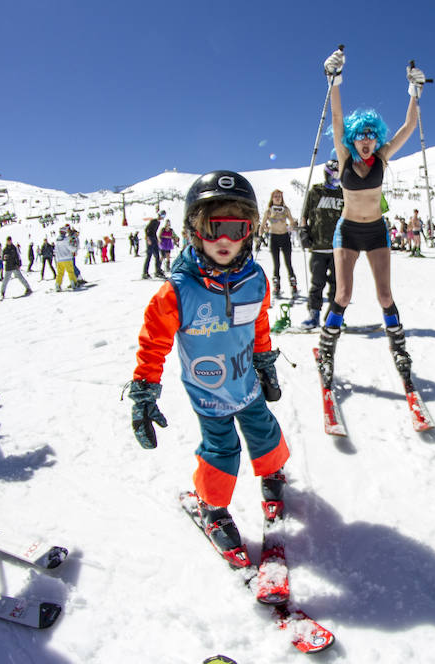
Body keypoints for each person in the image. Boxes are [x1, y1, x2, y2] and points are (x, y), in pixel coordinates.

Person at [129, 170, 288, 566]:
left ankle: (272, 473)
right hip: (210, 393)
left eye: (238, 228)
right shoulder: (179, 291)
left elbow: (260, 324)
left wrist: (265, 363)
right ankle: (212, 507)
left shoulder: (254, 279)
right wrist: (145, 389)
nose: (225, 240)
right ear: (194, 230)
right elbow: (154, 341)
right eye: (214, 226)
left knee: (264, 430)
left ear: (250, 231)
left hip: (247, 384)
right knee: (222, 450)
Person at [316, 47, 425, 387]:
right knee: (343, 295)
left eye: (370, 135)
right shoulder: (346, 157)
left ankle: (399, 348)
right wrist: (335, 81)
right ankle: (327, 348)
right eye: (360, 135)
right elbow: (336, 120)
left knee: (384, 296)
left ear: (376, 136)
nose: (366, 140)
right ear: (353, 137)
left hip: (376, 231)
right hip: (347, 231)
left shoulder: (382, 157)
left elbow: (409, 127)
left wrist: (414, 92)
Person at [298, 158, 343, 329]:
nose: (336, 178)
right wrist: (303, 231)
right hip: (318, 246)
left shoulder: (343, 194)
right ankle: (313, 314)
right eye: (334, 175)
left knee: (337, 285)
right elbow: (304, 214)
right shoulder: (316, 191)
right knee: (317, 283)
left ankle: (334, 316)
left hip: (338, 247)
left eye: (339, 175)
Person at [260, 190, 298, 299]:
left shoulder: (285, 210)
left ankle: (293, 285)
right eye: (275, 196)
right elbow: (262, 225)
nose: (277, 198)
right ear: (272, 198)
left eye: (279, 196)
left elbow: (291, 222)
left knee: (288, 263)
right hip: (274, 238)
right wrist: (263, 230)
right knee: (276, 264)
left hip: (285, 237)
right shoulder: (268, 211)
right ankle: (277, 287)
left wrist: (292, 225)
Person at [54, 226, 79, 291]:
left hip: (59, 259)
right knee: (70, 272)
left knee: (60, 273)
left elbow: (55, 250)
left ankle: (57, 285)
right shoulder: (66, 239)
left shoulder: (57, 240)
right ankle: (73, 283)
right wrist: (74, 249)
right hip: (67, 258)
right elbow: (70, 247)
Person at [142, 211, 165, 279]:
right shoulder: (153, 221)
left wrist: (157, 240)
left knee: (157, 256)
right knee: (149, 256)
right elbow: (146, 229)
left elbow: (154, 232)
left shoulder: (158, 222)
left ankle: (157, 271)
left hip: (154, 239)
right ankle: (145, 272)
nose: (162, 218)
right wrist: (148, 238)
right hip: (150, 239)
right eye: (162, 216)